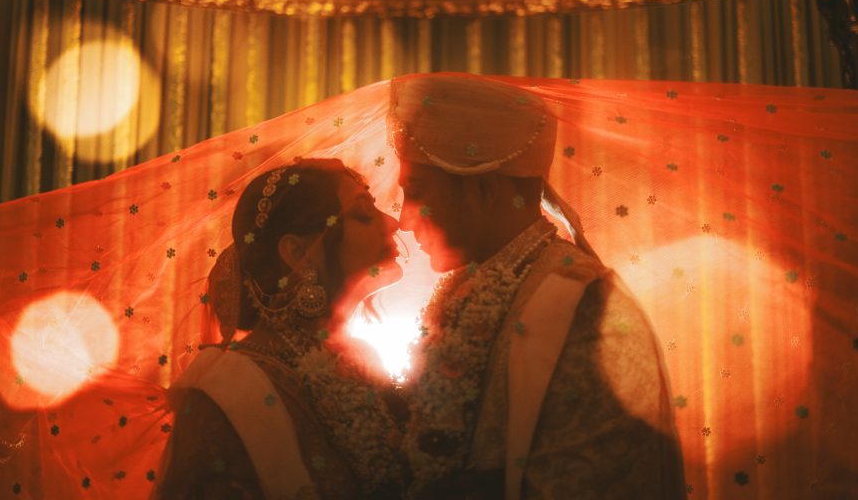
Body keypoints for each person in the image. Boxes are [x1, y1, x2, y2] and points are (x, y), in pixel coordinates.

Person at [390, 74, 687, 499]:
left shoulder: (584, 303)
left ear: (484, 189)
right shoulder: (467, 290)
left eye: (416, 192)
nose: (405, 219)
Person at [155, 158, 410, 499]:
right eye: (363, 213)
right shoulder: (227, 390)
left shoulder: (363, 361)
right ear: (297, 252)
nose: (393, 224)